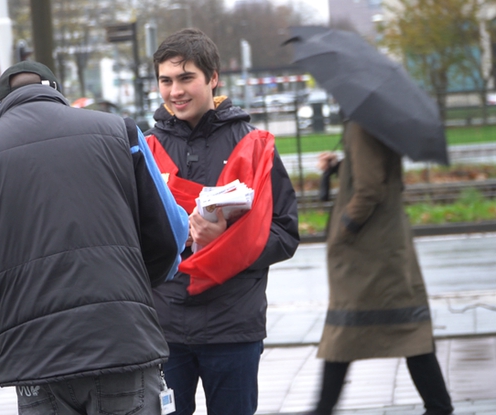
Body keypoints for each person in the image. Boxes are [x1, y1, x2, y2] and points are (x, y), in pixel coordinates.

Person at [0, 61, 189, 415]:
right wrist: (139, 285)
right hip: (123, 343)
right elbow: (171, 234)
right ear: (58, 94)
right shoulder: (122, 134)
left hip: (37, 359)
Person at [144, 28, 300, 415]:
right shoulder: (145, 150)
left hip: (232, 325)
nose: (175, 91)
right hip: (165, 328)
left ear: (213, 78)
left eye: (186, 78)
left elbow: (285, 232)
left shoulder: (254, 145)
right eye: (166, 80)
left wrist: (226, 239)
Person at [310, 119, 453, 415]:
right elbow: (379, 172)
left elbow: (370, 188)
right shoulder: (375, 124)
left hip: (368, 251)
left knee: (348, 326)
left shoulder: (362, 124)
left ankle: (323, 408)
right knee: (403, 326)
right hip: (384, 245)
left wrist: (344, 229)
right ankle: (438, 405)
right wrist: (340, 167)